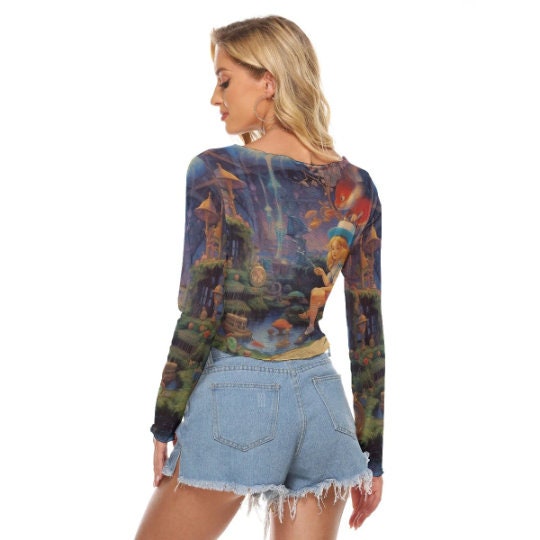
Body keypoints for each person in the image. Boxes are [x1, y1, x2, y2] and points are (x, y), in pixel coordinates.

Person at [136, 15, 384, 540]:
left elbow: (200, 307)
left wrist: (165, 419)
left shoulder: (216, 172)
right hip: (324, 408)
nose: (215, 97)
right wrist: (373, 454)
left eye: (225, 80)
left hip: (238, 399)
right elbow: (367, 330)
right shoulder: (357, 186)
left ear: (268, 82)